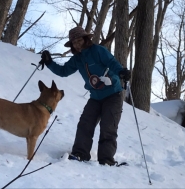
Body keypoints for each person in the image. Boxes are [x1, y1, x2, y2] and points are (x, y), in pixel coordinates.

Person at [40, 26, 131, 166]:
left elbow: (112, 62)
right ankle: (80, 154)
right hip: (95, 97)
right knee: (85, 124)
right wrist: (49, 62)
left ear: (86, 38)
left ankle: (106, 160)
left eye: (79, 40)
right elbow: (63, 71)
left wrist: (121, 72)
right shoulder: (77, 59)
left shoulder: (98, 50)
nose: (77, 44)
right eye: (73, 42)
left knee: (108, 127)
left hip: (113, 94)